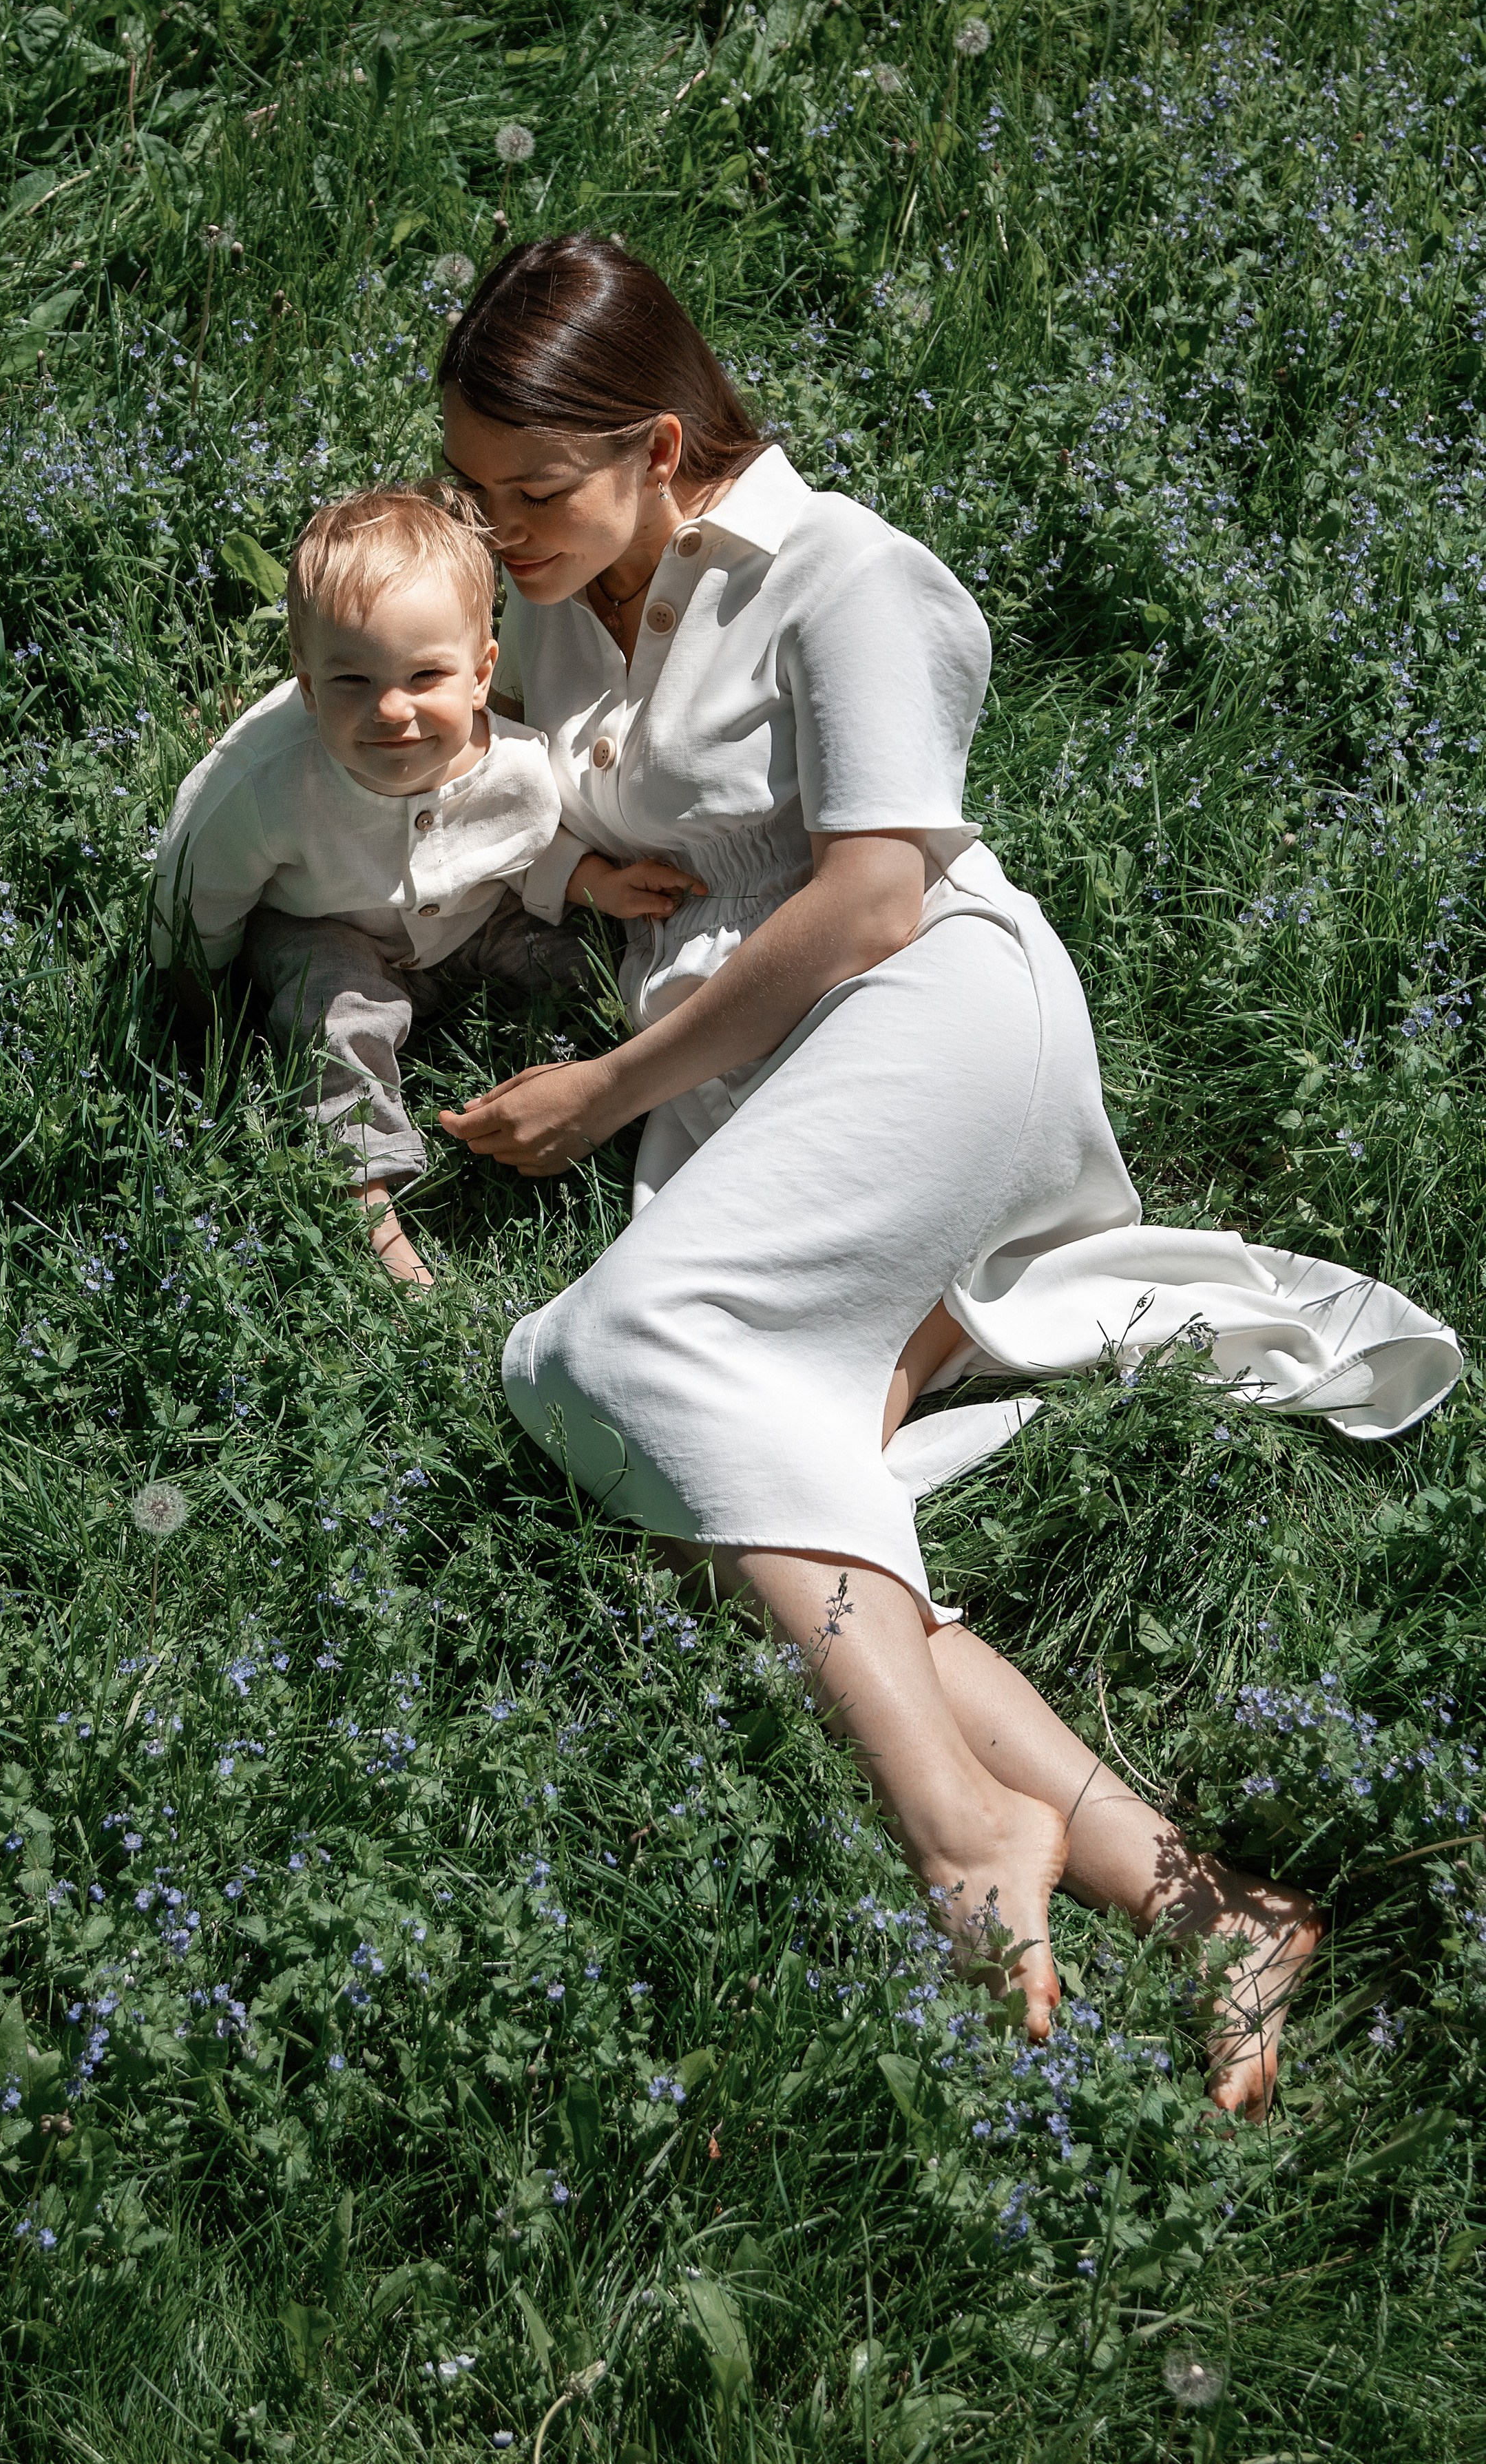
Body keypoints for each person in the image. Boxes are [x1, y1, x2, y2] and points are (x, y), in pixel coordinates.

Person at [433, 236, 1463, 2116]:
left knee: (586, 1362)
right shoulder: (583, 600)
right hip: (748, 1093)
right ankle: (1210, 1906)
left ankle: (954, 1830)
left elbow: (874, 892)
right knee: (753, 1510)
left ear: (662, 442)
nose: (501, 532)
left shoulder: (849, 577)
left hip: (923, 1017)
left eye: (534, 489)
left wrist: (599, 1096)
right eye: (474, 494)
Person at [150, 483, 703, 1281]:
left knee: (582, 965)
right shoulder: (273, 789)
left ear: (481, 675)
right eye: (350, 682)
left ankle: (628, 1092)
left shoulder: (514, 766)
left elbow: (525, 845)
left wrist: (594, 886)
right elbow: (200, 888)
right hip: (331, 924)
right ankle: (362, 1189)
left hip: (469, 922)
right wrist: (201, 999)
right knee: (333, 1018)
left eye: (424, 676)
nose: (390, 710)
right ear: (306, 685)